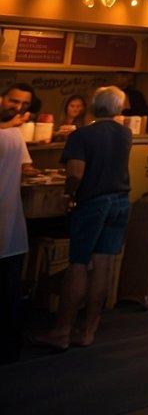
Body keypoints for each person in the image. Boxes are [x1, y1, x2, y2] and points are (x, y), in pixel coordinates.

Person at [35, 86, 131, 351]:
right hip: (121, 201)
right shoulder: (125, 133)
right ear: (118, 109)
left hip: (93, 202)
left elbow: (76, 173)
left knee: (78, 264)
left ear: (92, 106)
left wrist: (69, 195)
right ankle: (88, 330)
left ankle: (62, 331)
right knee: (103, 264)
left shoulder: (81, 135)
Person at [0, 107, 33, 363]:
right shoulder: (15, 137)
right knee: (10, 288)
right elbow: (27, 168)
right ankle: (10, 346)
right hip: (11, 224)